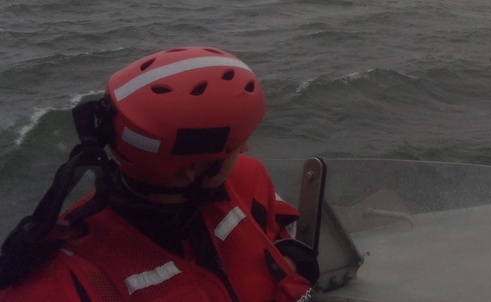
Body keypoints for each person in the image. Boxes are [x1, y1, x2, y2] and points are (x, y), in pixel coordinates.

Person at [0, 47, 317, 301]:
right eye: (234, 145)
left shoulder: (247, 177)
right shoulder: (68, 279)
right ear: (192, 168)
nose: (247, 147)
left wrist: (287, 262)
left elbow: (272, 232)